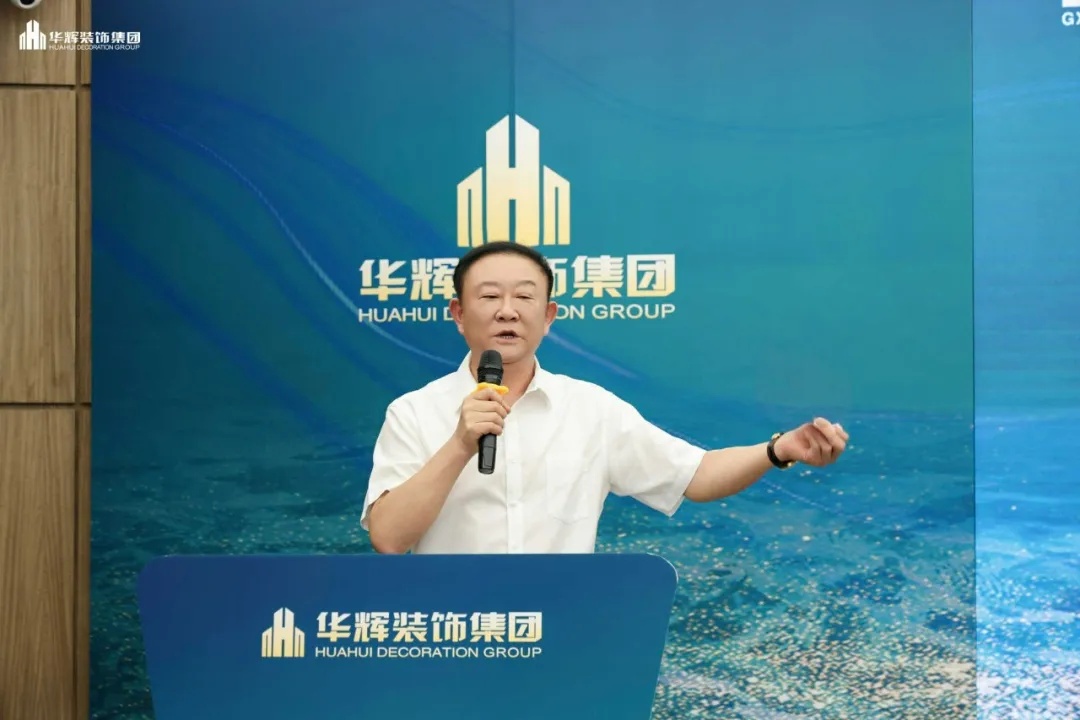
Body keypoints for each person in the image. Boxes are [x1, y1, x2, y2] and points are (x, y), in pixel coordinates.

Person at [361, 243, 849, 554]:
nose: (507, 311)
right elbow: (388, 538)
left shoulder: (590, 409)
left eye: (525, 297)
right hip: (456, 637)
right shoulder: (414, 412)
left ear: (548, 316)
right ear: (458, 314)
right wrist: (459, 445)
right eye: (489, 297)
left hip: (563, 634)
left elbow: (696, 476)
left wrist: (777, 449)